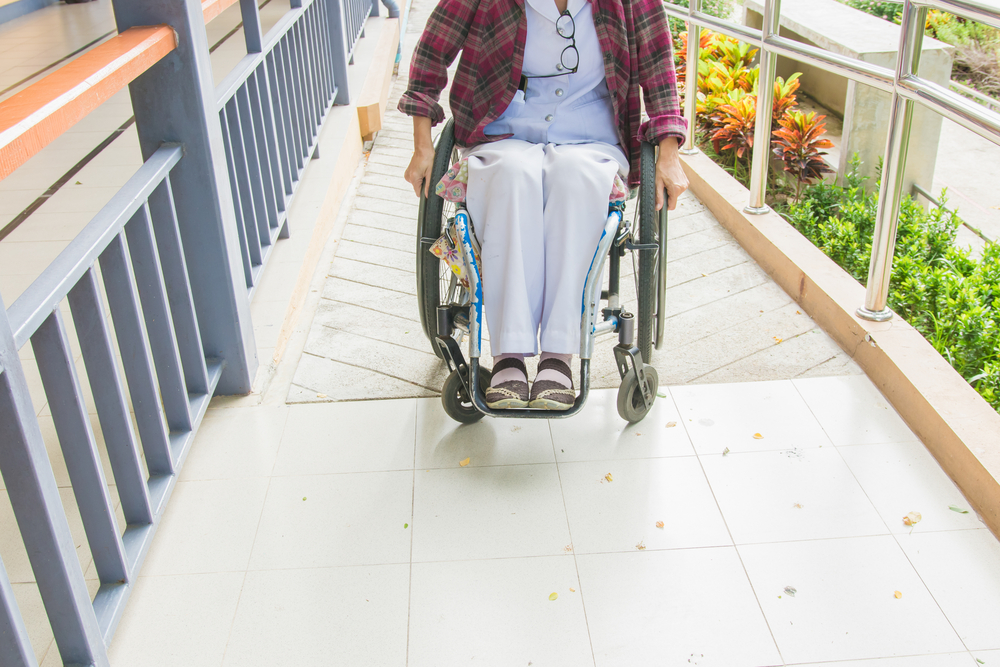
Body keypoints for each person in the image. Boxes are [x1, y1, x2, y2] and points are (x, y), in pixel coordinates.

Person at [400, 0, 689, 410]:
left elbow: (658, 64)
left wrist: (668, 152)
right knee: (512, 177)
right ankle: (509, 357)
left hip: (590, 130)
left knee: (575, 179)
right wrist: (423, 145)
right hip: (504, 126)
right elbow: (432, 50)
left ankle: (559, 356)